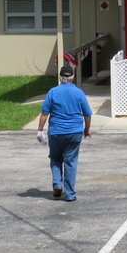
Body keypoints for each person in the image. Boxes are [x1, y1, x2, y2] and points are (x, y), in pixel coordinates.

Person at [37, 65, 92, 201]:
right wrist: (87, 129)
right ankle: (70, 194)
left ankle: (57, 185)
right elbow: (88, 114)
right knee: (70, 162)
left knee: (55, 158)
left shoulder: (53, 92)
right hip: (74, 132)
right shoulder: (79, 93)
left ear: (60, 77)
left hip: (56, 132)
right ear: (73, 77)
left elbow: (45, 113)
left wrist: (40, 129)